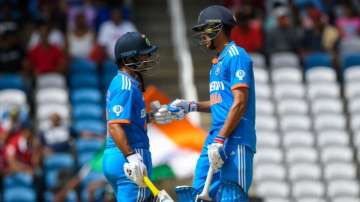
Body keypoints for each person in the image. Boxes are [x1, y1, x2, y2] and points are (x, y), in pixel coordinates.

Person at [165, 5, 256, 201]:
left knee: (233, 195)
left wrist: (221, 139)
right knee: (196, 194)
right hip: (216, 138)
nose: (202, 37)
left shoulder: (236, 56)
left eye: (204, 31)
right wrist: (192, 106)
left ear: (218, 28)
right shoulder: (217, 63)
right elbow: (221, 103)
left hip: (235, 139)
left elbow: (240, 103)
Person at [102, 32, 162, 202]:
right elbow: (115, 125)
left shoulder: (124, 82)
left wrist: (152, 117)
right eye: (143, 54)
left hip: (117, 155)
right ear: (128, 59)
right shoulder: (125, 85)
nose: (147, 57)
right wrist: (132, 156)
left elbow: (129, 120)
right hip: (129, 153)